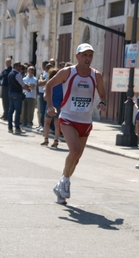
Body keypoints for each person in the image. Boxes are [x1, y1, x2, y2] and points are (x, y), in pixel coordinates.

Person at [45, 43, 106, 204]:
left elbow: (102, 94)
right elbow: (49, 85)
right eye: (84, 55)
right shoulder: (68, 72)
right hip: (68, 118)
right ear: (77, 56)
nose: (87, 58)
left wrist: (102, 103)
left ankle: (60, 186)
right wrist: (50, 106)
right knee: (75, 150)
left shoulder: (96, 75)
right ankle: (65, 181)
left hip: (85, 120)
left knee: (77, 157)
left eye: (90, 55)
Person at [41, 68, 63, 147]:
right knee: (57, 124)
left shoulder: (49, 84)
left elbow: (45, 97)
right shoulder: (62, 84)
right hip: (59, 104)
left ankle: (46, 139)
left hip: (50, 104)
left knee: (47, 122)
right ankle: (56, 140)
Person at [7, 62, 31, 134]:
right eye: (19, 66)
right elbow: (22, 84)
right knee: (18, 111)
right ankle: (17, 127)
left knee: (10, 111)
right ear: (16, 66)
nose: (20, 68)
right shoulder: (18, 74)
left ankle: (10, 127)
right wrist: (28, 88)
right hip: (17, 94)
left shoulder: (10, 74)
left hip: (11, 93)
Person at [37, 61, 50, 130]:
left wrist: (41, 80)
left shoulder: (48, 74)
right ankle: (41, 124)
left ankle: (45, 126)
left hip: (46, 93)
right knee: (41, 110)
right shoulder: (42, 73)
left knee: (45, 110)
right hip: (41, 92)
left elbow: (43, 82)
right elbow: (39, 83)